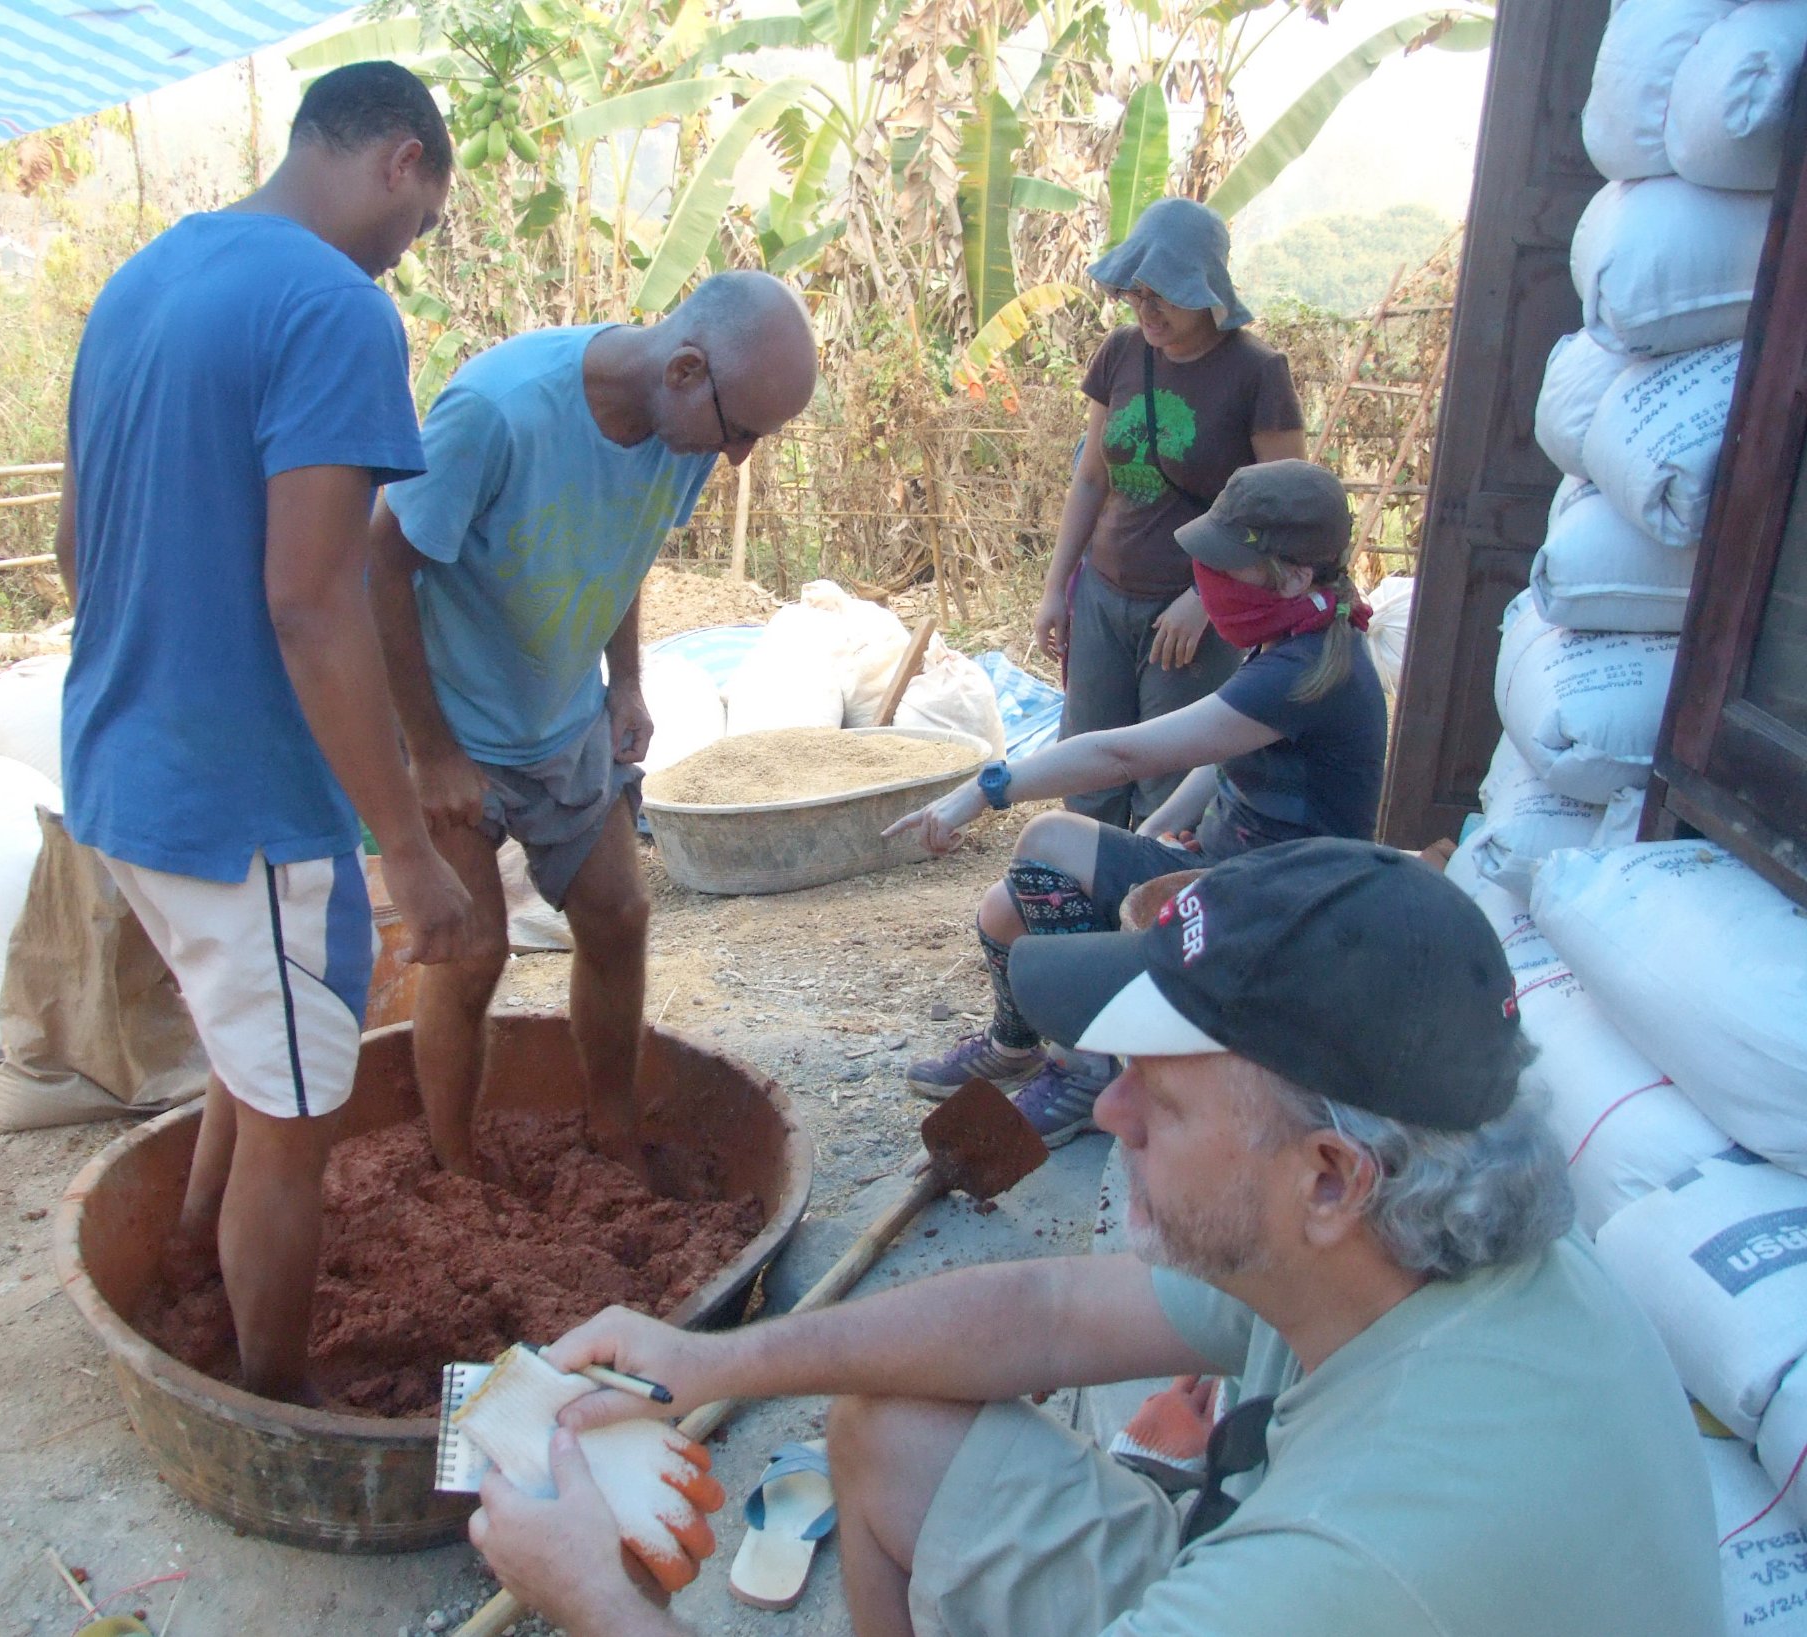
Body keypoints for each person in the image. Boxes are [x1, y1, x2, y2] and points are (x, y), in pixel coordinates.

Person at [462, 839, 1724, 1637]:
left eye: (1157, 1097)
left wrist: (599, 1597)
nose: (1107, 1113)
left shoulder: (1345, 1567)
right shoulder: (1389, 1243)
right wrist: (715, 1361)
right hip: (1268, 1543)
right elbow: (1053, 1314)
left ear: (1330, 1174)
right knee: (889, 1425)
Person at [54, 62, 477, 1404]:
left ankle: (193, 1240)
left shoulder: (144, 282)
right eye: (419, 223)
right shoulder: (333, 307)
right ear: (401, 160)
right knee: (300, 1121)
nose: (403, 253)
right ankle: (275, 1401)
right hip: (243, 810)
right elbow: (312, 599)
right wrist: (405, 845)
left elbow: (74, 550)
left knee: (257, 1042)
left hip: (117, 769)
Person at [367, 271, 818, 1174]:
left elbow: (624, 547)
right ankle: (455, 1173)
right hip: (452, 725)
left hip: (565, 716)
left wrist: (627, 683)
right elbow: (380, 563)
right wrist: (432, 750)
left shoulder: (683, 433)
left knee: (619, 915)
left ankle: (614, 1137)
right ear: (685, 369)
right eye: (740, 432)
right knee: (471, 951)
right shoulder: (497, 413)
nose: (737, 459)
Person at [897, 459, 1385, 1145]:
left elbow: (1124, 755)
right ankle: (1014, 1045)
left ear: (1295, 577)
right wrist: (1153, 834)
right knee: (1005, 908)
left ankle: (1085, 1068)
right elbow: (1221, 758)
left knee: (1046, 840)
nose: (1207, 579)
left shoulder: (1305, 670)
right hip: (1241, 872)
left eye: (1227, 564)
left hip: (1281, 908)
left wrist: (986, 788)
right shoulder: (1296, 638)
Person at [1035, 197, 1306, 832]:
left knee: (1169, 790)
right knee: (1087, 775)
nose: (1146, 310)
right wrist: (1055, 590)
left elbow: (1286, 509)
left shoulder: (1257, 372)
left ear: (1206, 290)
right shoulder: (1121, 352)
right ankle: (1086, 888)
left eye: (1163, 296)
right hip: (1103, 598)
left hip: (1190, 617)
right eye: (1136, 294)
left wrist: (1206, 599)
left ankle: (1152, 895)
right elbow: (1091, 479)